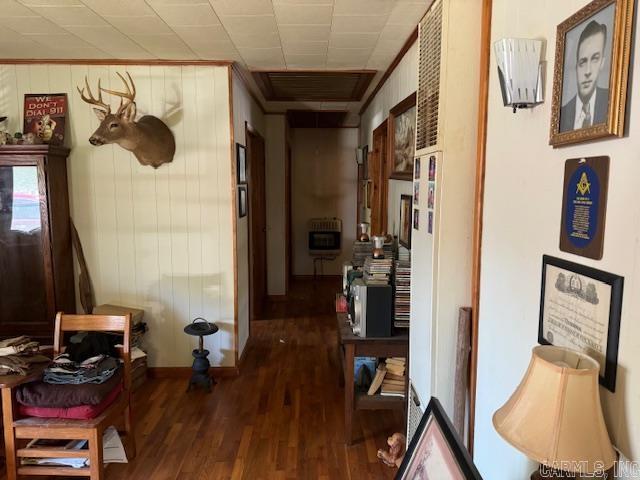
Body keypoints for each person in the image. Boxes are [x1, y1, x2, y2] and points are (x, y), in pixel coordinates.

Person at [560, 20, 609, 132]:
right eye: (583, 62)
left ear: (602, 63)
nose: (588, 71)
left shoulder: (611, 101)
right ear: (576, 66)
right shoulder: (562, 113)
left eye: (595, 59)